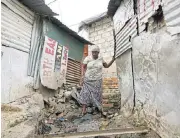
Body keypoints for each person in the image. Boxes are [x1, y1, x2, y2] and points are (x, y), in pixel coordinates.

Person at [78, 45, 115, 116]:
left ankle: (97, 109)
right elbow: (83, 67)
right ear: (91, 52)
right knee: (85, 93)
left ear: (98, 52)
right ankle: (83, 110)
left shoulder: (101, 59)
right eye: (93, 52)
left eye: (96, 52)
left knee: (97, 95)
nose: (94, 54)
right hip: (88, 79)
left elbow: (106, 66)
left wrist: (113, 60)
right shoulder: (88, 58)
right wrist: (82, 76)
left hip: (97, 80)